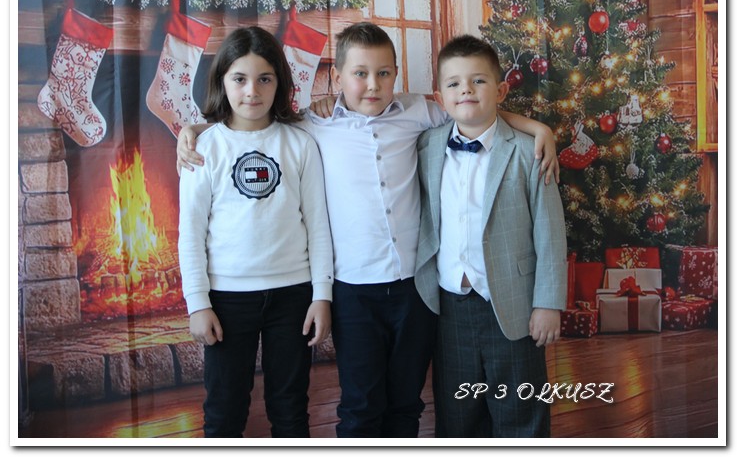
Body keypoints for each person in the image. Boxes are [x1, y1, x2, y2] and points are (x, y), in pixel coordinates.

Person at [177, 22, 558, 438]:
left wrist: (538, 128)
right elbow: (252, 128)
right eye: (359, 73)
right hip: (353, 292)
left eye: (383, 73)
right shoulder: (312, 125)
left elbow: (471, 111)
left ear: (396, 74)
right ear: (338, 79)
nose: (372, 85)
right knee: (361, 404)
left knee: (406, 403)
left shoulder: (419, 112)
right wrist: (196, 131)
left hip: (414, 288)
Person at [177, 27, 333, 438]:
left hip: (293, 296)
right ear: (222, 81)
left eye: (265, 78)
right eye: (240, 79)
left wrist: (322, 295)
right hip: (227, 300)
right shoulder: (203, 148)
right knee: (224, 411)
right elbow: (190, 233)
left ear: (279, 82)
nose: (252, 91)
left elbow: (318, 225)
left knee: (290, 408)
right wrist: (197, 303)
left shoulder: (300, 144)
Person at [414, 35, 567, 438]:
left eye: (478, 81)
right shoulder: (426, 146)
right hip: (449, 306)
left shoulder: (529, 152)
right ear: (440, 97)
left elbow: (550, 232)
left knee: (521, 413)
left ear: (500, 91)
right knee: (458, 416)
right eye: (454, 83)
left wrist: (548, 303)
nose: (465, 90)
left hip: (515, 306)